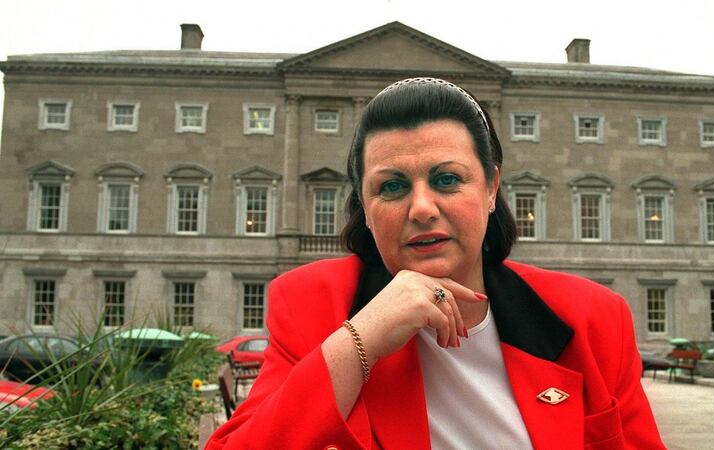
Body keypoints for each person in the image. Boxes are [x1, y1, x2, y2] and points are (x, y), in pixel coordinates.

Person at [206, 78, 665, 449]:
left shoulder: (595, 319)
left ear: (490, 189)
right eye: (391, 187)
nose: (421, 207)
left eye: (447, 179)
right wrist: (359, 341)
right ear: (364, 208)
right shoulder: (311, 303)